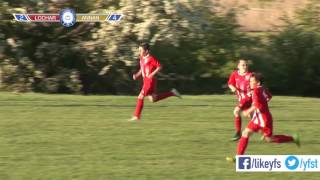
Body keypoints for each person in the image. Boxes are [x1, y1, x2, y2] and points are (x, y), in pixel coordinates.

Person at [227, 73, 299, 160]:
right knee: (245, 133)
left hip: (264, 120)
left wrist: (248, 111)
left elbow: (258, 106)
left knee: (269, 139)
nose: (249, 83)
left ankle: (293, 138)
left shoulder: (256, 91)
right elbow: (269, 96)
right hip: (257, 118)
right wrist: (261, 102)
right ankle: (238, 157)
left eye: (252, 81)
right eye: (249, 81)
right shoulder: (261, 88)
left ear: (258, 83)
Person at [129, 42, 181, 121]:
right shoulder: (142, 58)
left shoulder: (151, 58)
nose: (139, 52)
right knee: (153, 99)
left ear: (146, 51)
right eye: (139, 50)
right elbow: (142, 68)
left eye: (141, 50)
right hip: (147, 80)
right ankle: (172, 93)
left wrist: (152, 74)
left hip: (149, 81)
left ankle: (136, 116)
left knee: (140, 97)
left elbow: (160, 66)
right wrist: (137, 75)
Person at [228, 59, 252, 141]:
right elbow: (230, 83)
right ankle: (265, 130)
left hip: (248, 98)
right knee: (251, 116)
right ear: (238, 66)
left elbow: (256, 85)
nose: (245, 67)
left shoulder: (250, 75)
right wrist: (232, 87)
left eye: (246, 65)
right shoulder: (234, 74)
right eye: (243, 65)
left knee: (236, 111)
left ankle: (238, 133)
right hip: (241, 99)